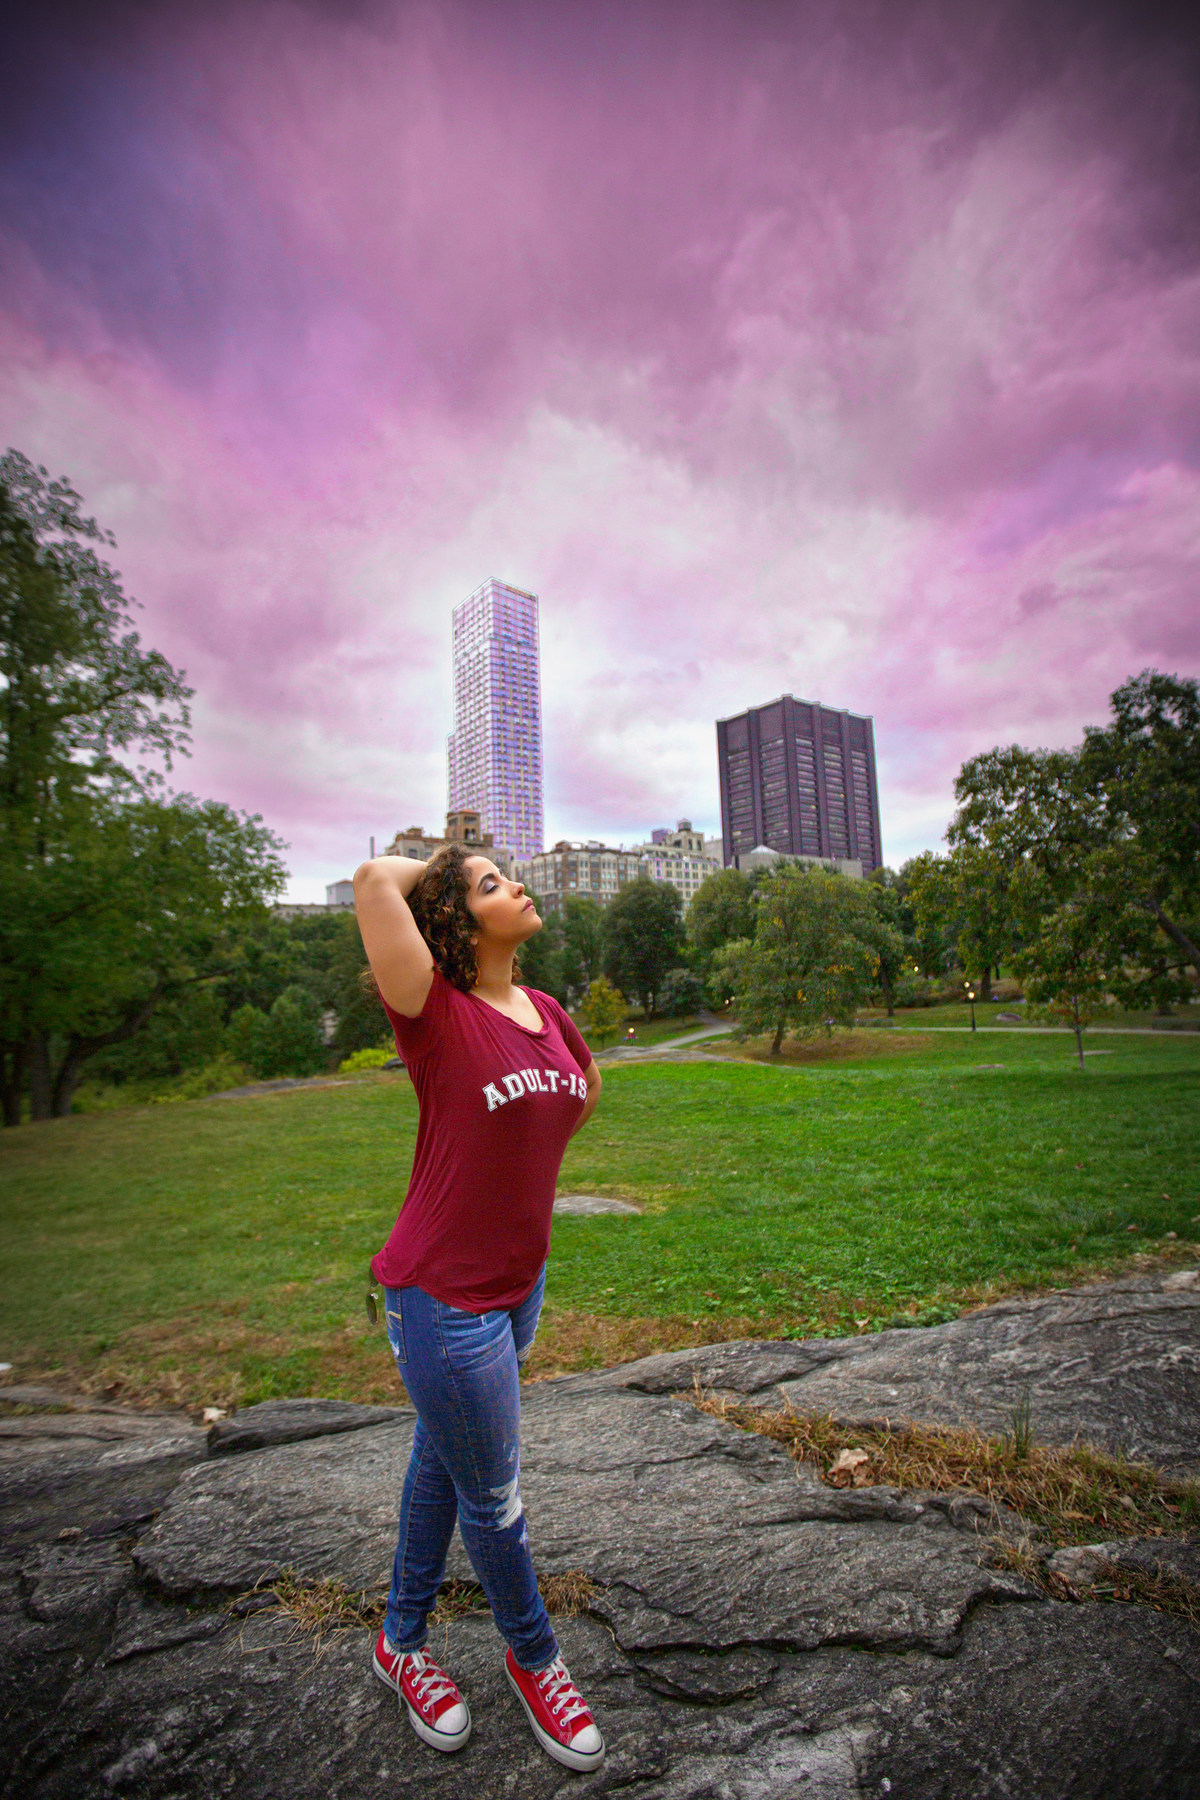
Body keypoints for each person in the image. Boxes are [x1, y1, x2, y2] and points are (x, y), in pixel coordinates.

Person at [353, 844, 605, 1772]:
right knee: (492, 1494)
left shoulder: (546, 1013)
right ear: (457, 922)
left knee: (445, 1455)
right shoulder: (432, 1012)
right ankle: (535, 1659)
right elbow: (376, 883)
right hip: (442, 1294)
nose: (517, 884)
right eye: (492, 884)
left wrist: (514, 1168)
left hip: (518, 1284)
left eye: (510, 874)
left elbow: (580, 1093)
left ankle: (400, 1641)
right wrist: (447, 863)